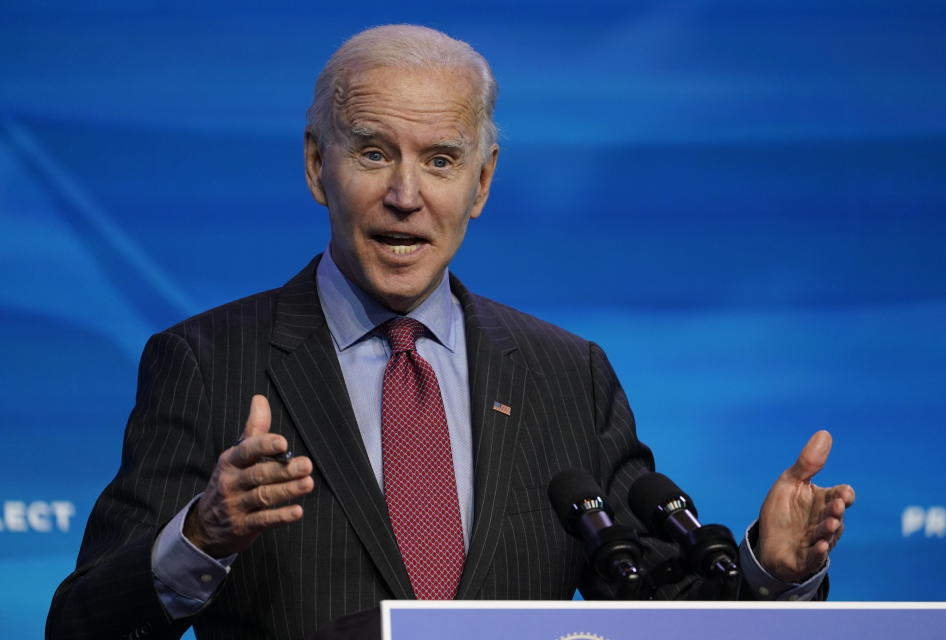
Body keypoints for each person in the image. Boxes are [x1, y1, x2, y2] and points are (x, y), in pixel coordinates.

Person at [46, 24, 855, 640]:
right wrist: (201, 534)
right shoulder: (208, 362)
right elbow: (80, 624)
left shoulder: (566, 375)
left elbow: (656, 603)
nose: (406, 194)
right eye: (372, 153)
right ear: (314, 166)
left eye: (440, 159)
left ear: (483, 181)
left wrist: (769, 570)